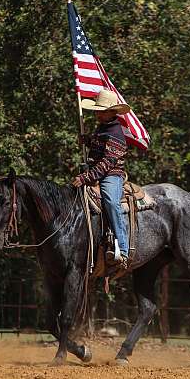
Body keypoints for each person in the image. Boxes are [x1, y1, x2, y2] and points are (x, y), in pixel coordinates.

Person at [71, 90, 130, 266]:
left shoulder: (117, 133)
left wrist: (86, 177)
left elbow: (107, 162)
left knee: (111, 201)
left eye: (102, 110)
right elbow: (100, 146)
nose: (97, 113)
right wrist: (88, 140)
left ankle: (123, 248)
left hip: (111, 175)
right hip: (94, 171)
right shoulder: (103, 127)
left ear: (113, 112)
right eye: (97, 110)